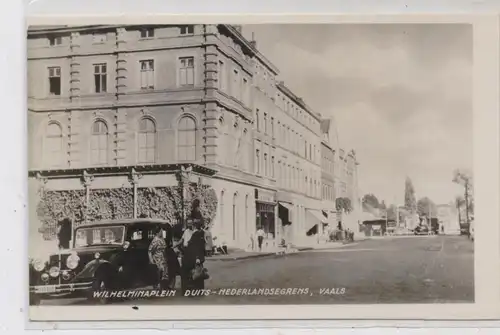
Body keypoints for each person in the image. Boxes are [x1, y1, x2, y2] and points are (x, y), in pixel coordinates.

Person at [179, 220, 206, 294]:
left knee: (186, 271)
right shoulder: (201, 233)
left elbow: (192, 245)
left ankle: (186, 289)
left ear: (194, 226)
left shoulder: (195, 234)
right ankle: (199, 289)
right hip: (198, 256)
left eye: (192, 224)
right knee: (199, 271)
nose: (190, 225)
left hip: (192, 256)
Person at [148, 225, 169, 290]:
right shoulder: (155, 240)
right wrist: (151, 260)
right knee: (157, 275)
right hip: (157, 260)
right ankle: (156, 288)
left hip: (163, 259)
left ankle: (163, 287)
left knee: (164, 274)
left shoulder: (162, 239)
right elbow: (150, 251)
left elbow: (165, 249)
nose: (162, 232)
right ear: (158, 232)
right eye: (161, 231)